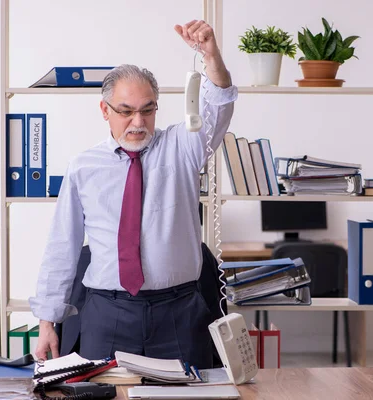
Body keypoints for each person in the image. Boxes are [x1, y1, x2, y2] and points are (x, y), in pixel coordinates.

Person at [29, 20, 237, 369]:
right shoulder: (84, 167)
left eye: (147, 109)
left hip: (179, 315)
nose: (137, 122)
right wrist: (47, 323)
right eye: (126, 111)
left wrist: (211, 56)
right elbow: (62, 247)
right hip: (108, 314)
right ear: (105, 111)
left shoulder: (182, 146)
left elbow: (218, 105)